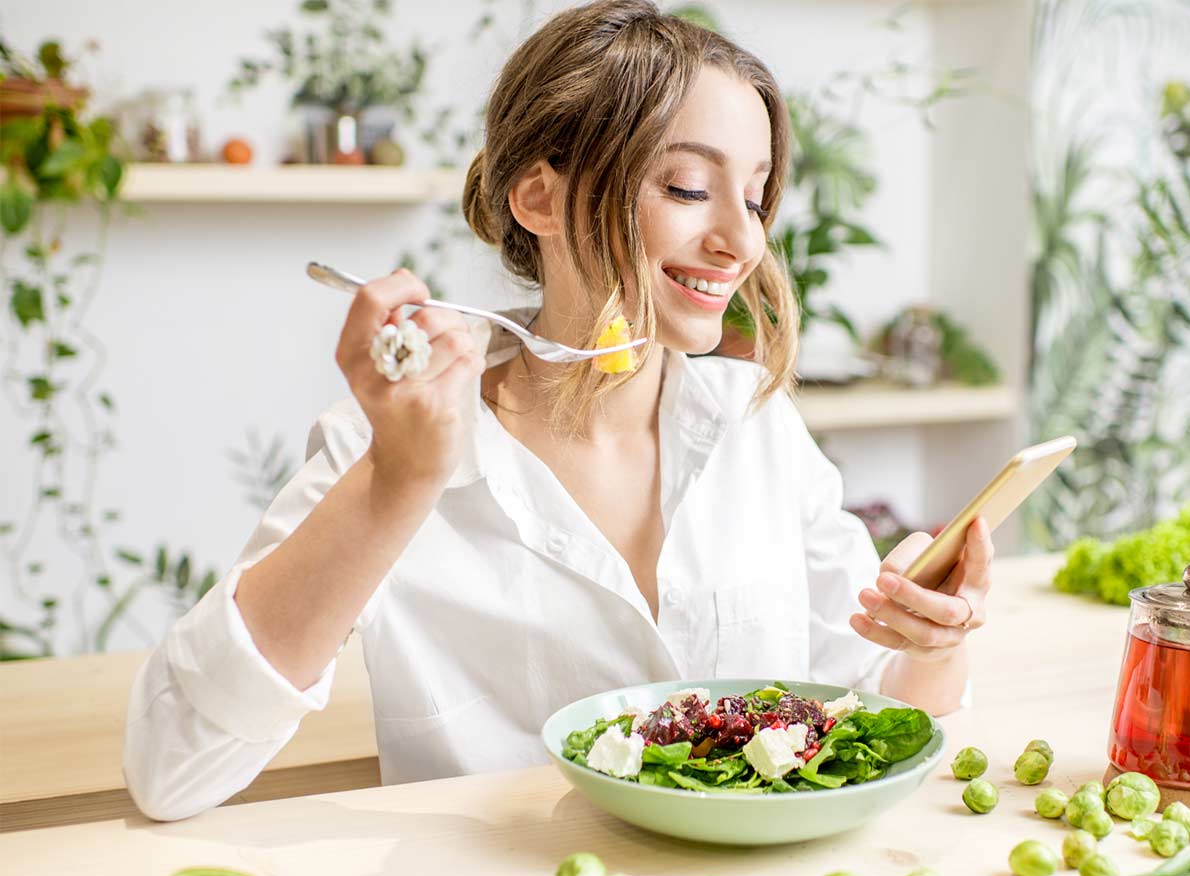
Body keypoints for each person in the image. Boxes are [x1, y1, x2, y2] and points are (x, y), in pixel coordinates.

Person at [123, 0, 994, 822]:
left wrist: (930, 639)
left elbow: (870, 705)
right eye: (689, 188)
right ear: (539, 197)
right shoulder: (390, 448)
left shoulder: (755, 424)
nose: (743, 239)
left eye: (757, 195)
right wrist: (398, 482)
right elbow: (170, 769)